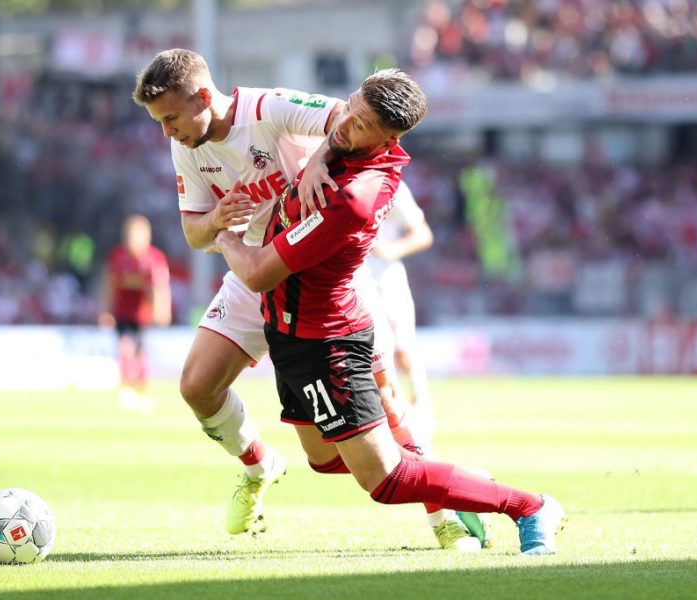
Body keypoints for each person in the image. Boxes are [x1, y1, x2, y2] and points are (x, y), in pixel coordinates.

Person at [133, 48, 486, 550]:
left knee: (385, 403)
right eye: (159, 121)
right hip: (253, 268)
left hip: (322, 277)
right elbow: (193, 230)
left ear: (204, 97)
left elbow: (346, 117)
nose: (165, 131)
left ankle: (443, 512)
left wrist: (320, 156)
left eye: (169, 118)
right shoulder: (185, 143)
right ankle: (258, 464)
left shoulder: (271, 108)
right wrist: (217, 221)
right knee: (196, 386)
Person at [211, 68, 566, 555]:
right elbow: (340, 127)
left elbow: (255, 274)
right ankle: (453, 482)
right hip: (288, 337)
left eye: (361, 124)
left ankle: (528, 506)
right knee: (321, 458)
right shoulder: (353, 138)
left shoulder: (352, 200)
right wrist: (320, 155)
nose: (347, 123)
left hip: (327, 343)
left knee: (385, 480)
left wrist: (224, 234)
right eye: (352, 105)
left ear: (387, 138)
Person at [364, 180, 437, 454]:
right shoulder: (332, 174)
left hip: (386, 280)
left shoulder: (389, 184)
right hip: (352, 283)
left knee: (403, 350)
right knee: (372, 356)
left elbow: (422, 233)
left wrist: (392, 250)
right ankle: (389, 421)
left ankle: (423, 408)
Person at [100, 215, 172, 412]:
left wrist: (162, 310)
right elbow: (109, 284)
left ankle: (142, 390)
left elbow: (161, 287)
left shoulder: (155, 258)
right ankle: (126, 388)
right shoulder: (117, 256)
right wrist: (106, 310)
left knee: (141, 352)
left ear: (147, 237)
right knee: (125, 348)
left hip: (143, 314)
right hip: (122, 311)